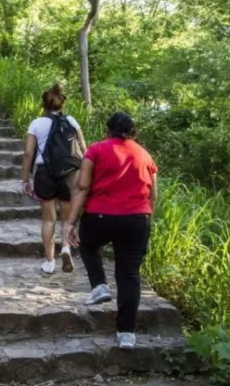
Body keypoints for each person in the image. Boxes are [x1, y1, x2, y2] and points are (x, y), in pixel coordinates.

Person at [63, 112, 158, 350]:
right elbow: (153, 194)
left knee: (87, 243)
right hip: (138, 218)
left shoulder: (96, 150)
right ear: (133, 131)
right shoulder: (145, 154)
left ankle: (99, 286)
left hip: (101, 216)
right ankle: (126, 334)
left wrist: (70, 222)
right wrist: (145, 220)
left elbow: (82, 186)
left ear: (108, 130)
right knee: (129, 276)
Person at [21, 84, 86, 275]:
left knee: (48, 220)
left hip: (45, 173)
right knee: (67, 217)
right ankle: (66, 248)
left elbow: (27, 153)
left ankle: (49, 262)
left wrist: (25, 179)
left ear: (44, 105)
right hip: (69, 174)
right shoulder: (72, 121)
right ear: (61, 104)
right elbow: (83, 148)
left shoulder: (36, 123)